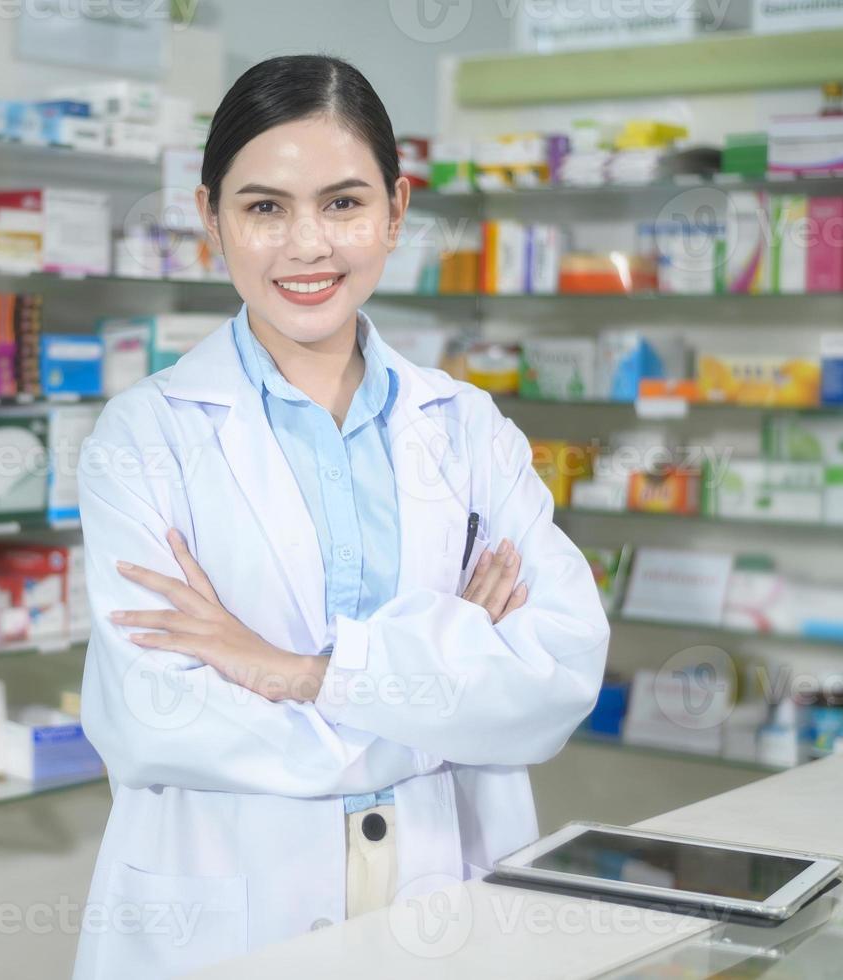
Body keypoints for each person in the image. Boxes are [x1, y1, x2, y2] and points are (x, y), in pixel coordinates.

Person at [70, 54, 608, 979]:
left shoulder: (467, 428)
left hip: (446, 887)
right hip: (226, 905)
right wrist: (442, 690)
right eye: (264, 207)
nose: (307, 245)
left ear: (396, 210)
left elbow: (553, 682)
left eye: (344, 203)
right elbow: (156, 716)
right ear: (210, 218)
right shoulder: (144, 435)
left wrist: (292, 672)